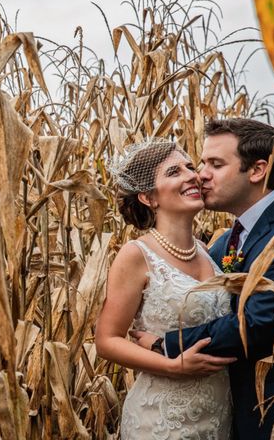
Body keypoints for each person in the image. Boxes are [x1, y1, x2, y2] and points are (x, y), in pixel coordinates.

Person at [130, 118, 274, 439]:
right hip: (217, 412)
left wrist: (164, 343)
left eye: (215, 164)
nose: (201, 174)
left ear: (257, 171)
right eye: (202, 162)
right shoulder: (222, 244)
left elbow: (257, 323)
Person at [96, 138, 236, 439]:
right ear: (149, 197)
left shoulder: (209, 252)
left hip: (218, 413)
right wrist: (172, 366)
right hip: (161, 420)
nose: (191, 175)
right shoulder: (136, 255)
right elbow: (107, 340)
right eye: (174, 172)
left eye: (190, 166)